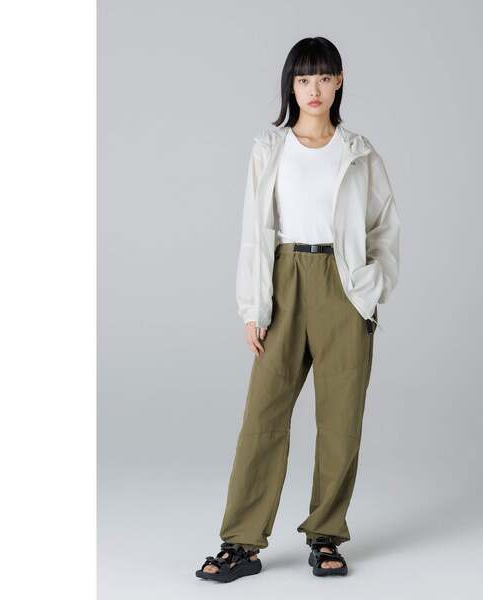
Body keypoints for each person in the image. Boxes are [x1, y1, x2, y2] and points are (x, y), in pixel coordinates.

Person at [195, 36, 400, 583]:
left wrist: (370, 286)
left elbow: (385, 225)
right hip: (285, 279)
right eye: (304, 78)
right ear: (291, 85)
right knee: (263, 417)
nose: (314, 89)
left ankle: (326, 535)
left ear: (339, 82)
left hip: (343, 285)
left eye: (324, 77)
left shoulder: (358, 151)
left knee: (340, 419)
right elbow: (255, 231)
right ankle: (241, 542)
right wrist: (253, 307)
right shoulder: (271, 148)